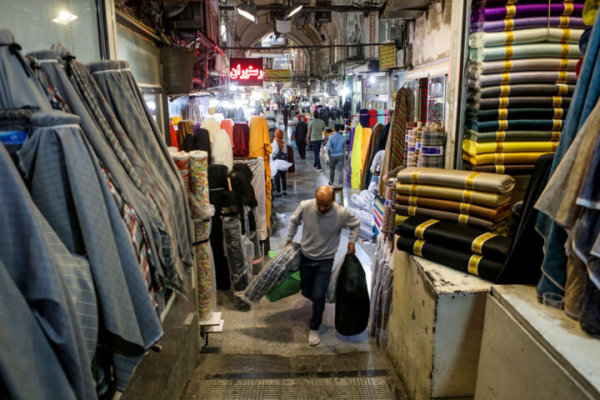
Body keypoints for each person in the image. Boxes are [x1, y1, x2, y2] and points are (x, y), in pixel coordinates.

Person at [286, 186, 360, 346]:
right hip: (306, 257)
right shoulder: (305, 206)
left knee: (319, 296)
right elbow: (293, 221)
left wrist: (352, 242)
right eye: (319, 204)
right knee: (307, 291)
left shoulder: (341, 213)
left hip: (325, 260)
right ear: (315, 198)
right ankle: (316, 301)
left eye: (326, 205)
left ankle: (315, 326)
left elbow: (355, 224)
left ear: (333, 201)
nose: (321, 208)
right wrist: (289, 239)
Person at [271, 129, 288, 197]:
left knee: (277, 177)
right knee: (283, 176)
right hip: (283, 160)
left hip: (277, 161)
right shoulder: (283, 141)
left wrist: (272, 155)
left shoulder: (275, 141)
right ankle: (284, 191)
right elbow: (286, 151)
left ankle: (278, 192)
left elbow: (275, 151)